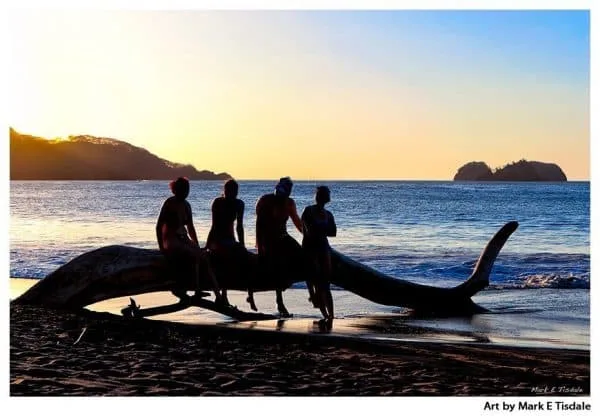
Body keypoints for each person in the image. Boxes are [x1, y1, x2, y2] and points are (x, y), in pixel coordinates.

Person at [155, 177, 222, 303]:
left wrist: (196, 244)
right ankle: (194, 288)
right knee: (192, 255)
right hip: (171, 238)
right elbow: (159, 226)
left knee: (204, 257)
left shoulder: (187, 205)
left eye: (187, 190)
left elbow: (190, 227)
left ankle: (218, 295)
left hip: (183, 237)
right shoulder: (169, 203)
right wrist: (161, 247)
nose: (187, 192)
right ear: (177, 190)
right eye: (184, 190)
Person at [252, 177, 303, 316]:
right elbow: (259, 225)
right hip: (269, 240)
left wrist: (308, 235)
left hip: (283, 237)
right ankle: (279, 301)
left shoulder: (289, 203)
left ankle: (310, 292)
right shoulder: (265, 200)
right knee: (278, 264)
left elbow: (297, 222)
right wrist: (259, 246)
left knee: (302, 255)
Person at [206, 179, 247, 307]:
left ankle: (248, 295)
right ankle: (223, 296)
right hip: (217, 240)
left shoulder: (239, 204)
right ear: (225, 191)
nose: (233, 193)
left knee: (243, 256)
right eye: (230, 191)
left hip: (230, 240)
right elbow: (214, 225)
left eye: (235, 191)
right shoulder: (217, 202)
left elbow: (239, 226)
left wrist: (242, 244)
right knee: (225, 259)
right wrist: (208, 244)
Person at [301, 186, 336, 320]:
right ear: (320, 196)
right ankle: (324, 312)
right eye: (327, 193)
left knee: (325, 283)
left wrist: (320, 229)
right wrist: (323, 229)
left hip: (323, 246)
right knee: (317, 281)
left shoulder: (328, 214)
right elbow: (309, 231)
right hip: (310, 248)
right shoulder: (308, 210)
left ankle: (331, 315)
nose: (329, 195)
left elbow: (333, 232)